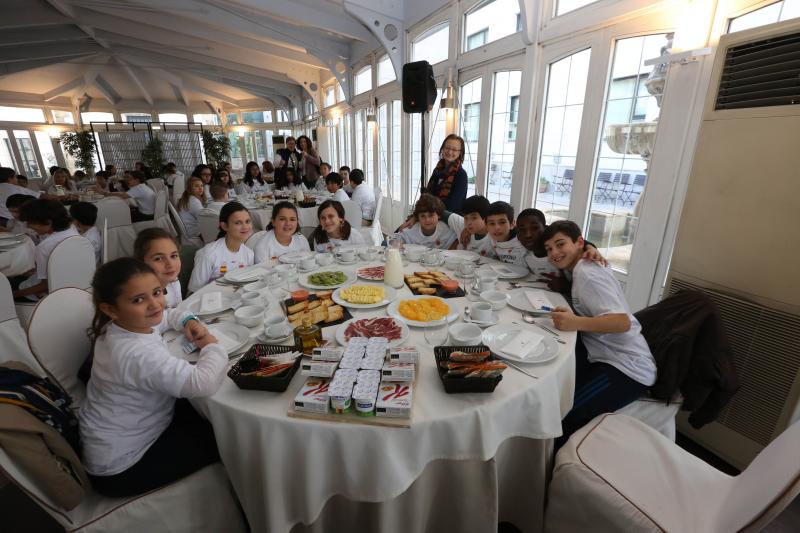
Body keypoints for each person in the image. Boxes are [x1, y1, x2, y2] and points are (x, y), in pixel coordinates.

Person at [79, 258, 226, 497]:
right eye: (138, 299)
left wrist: (188, 320)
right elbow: (204, 382)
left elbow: (166, 316)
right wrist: (211, 344)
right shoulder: (135, 354)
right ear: (110, 309)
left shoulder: (126, 325)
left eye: (157, 292)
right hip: (123, 466)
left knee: (208, 414)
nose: (154, 304)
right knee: (229, 436)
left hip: (120, 435)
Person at [543, 220, 656, 447]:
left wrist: (576, 322)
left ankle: (553, 472)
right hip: (601, 356)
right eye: (549, 249)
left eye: (560, 244)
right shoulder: (580, 266)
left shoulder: (588, 274)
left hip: (627, 368)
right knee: (554, 391)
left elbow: (622, 322)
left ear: (579, 242)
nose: (554, 252)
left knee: (563, 415)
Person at [12, 199, 79, 300]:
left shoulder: (44, 247)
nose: (28, 226)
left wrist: (14, 294)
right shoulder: (72, 230)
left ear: (48, 222)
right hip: (73, 287)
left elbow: (45, 285)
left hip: (43, 294)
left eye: (30, 222)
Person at [188, 202, 254, 292]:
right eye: (238, 223)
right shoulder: (208, 255)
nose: (245, 227)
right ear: (224, 226)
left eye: (247, 221)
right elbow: (193, 292)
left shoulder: (249, 253)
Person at [134, 228, 183, 309]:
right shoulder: (139, 298)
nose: (170, 264)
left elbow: (178, 311)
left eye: (173, 256)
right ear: (141, 262)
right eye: (158, 258)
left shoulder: (173, 281)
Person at [425, 134, 468, 215]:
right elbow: (427, 195)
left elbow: (453, 206)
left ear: (460, 153)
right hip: (431, 214)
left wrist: (430, 206)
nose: (449, 152)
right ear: (442, 149)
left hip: (449, 218)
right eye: (447, 148)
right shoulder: (437, 170)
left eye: (454, 150)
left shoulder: (461, 175)